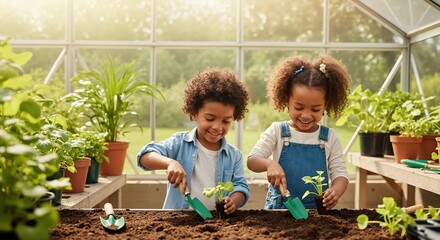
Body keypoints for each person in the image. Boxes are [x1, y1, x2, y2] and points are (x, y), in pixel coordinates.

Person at [137, 67, 250, 215]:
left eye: (226, 121)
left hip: (217, 223)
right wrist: (170, 163)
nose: (217, 127)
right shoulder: (179, 143)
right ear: (194, 113)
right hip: (179, 219)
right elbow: (145, 156)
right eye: (210, 119)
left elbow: (241, 187)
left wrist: (234, 201)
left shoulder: (234, 155)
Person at [247, 55, 351, 210]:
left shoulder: (329, 137)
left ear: (325, 105)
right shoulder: (277, 131)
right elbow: (252, 160)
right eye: (298, 107)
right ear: (286, 100)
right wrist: (269, 164)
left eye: (315, 109)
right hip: (279, 210)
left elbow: (340, 174)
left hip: (317, 212)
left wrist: (335, 191)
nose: (306, 115)